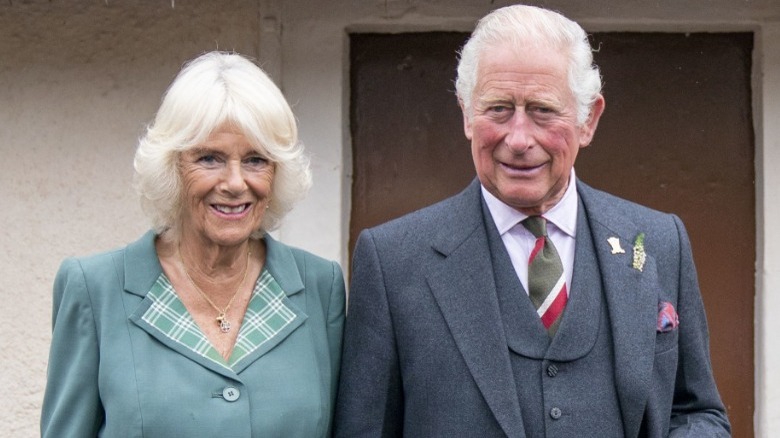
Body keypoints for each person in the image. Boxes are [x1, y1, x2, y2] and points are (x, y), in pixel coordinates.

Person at [334, 5, 730, 437]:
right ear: (467, 114)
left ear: (588, 120)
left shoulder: (656, 241)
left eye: (543, 110)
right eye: (499, 108)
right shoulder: (392, 261)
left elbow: (697, 413)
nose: (519, 139)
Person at [41, 51, 346, 437]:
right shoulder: (94, 287)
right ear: (171, 167)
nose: (235, 183)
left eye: (255, 160)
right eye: (209, 158)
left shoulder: (320, 287)